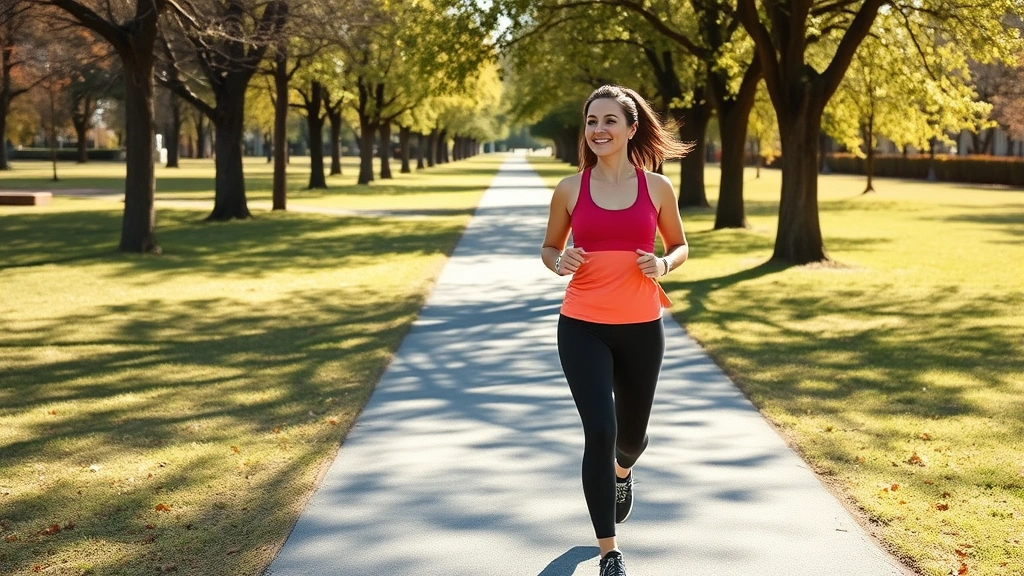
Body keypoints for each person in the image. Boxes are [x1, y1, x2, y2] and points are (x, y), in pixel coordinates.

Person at [541, 85, 691, 576]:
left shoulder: (657, 188)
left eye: (609, 121)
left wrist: (663, 264)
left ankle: (623, 472)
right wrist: (558, 260)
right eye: (591, 122)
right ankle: (610, 552)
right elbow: (549, 249)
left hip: (642, 326)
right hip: (582, 323)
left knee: (631, 439)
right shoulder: (569, 188)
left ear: (631, 128)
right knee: (600, 432)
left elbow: (680, 246)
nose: (598, 130)